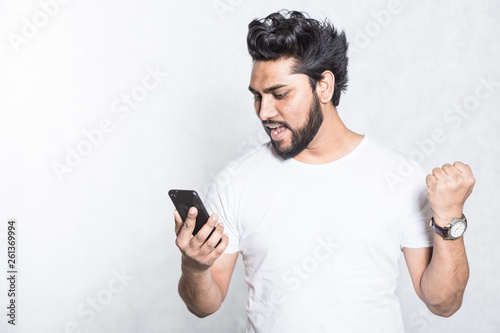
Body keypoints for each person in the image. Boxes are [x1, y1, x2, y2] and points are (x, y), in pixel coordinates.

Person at [174, 10, 475, 332]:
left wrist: (450, 217)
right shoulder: (236, 182)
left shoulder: (400, 176)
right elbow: (204, 306)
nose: (264, 112)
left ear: (324, 87)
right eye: (258, 97)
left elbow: (444, 303)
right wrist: (193, 267)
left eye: (280, 94)